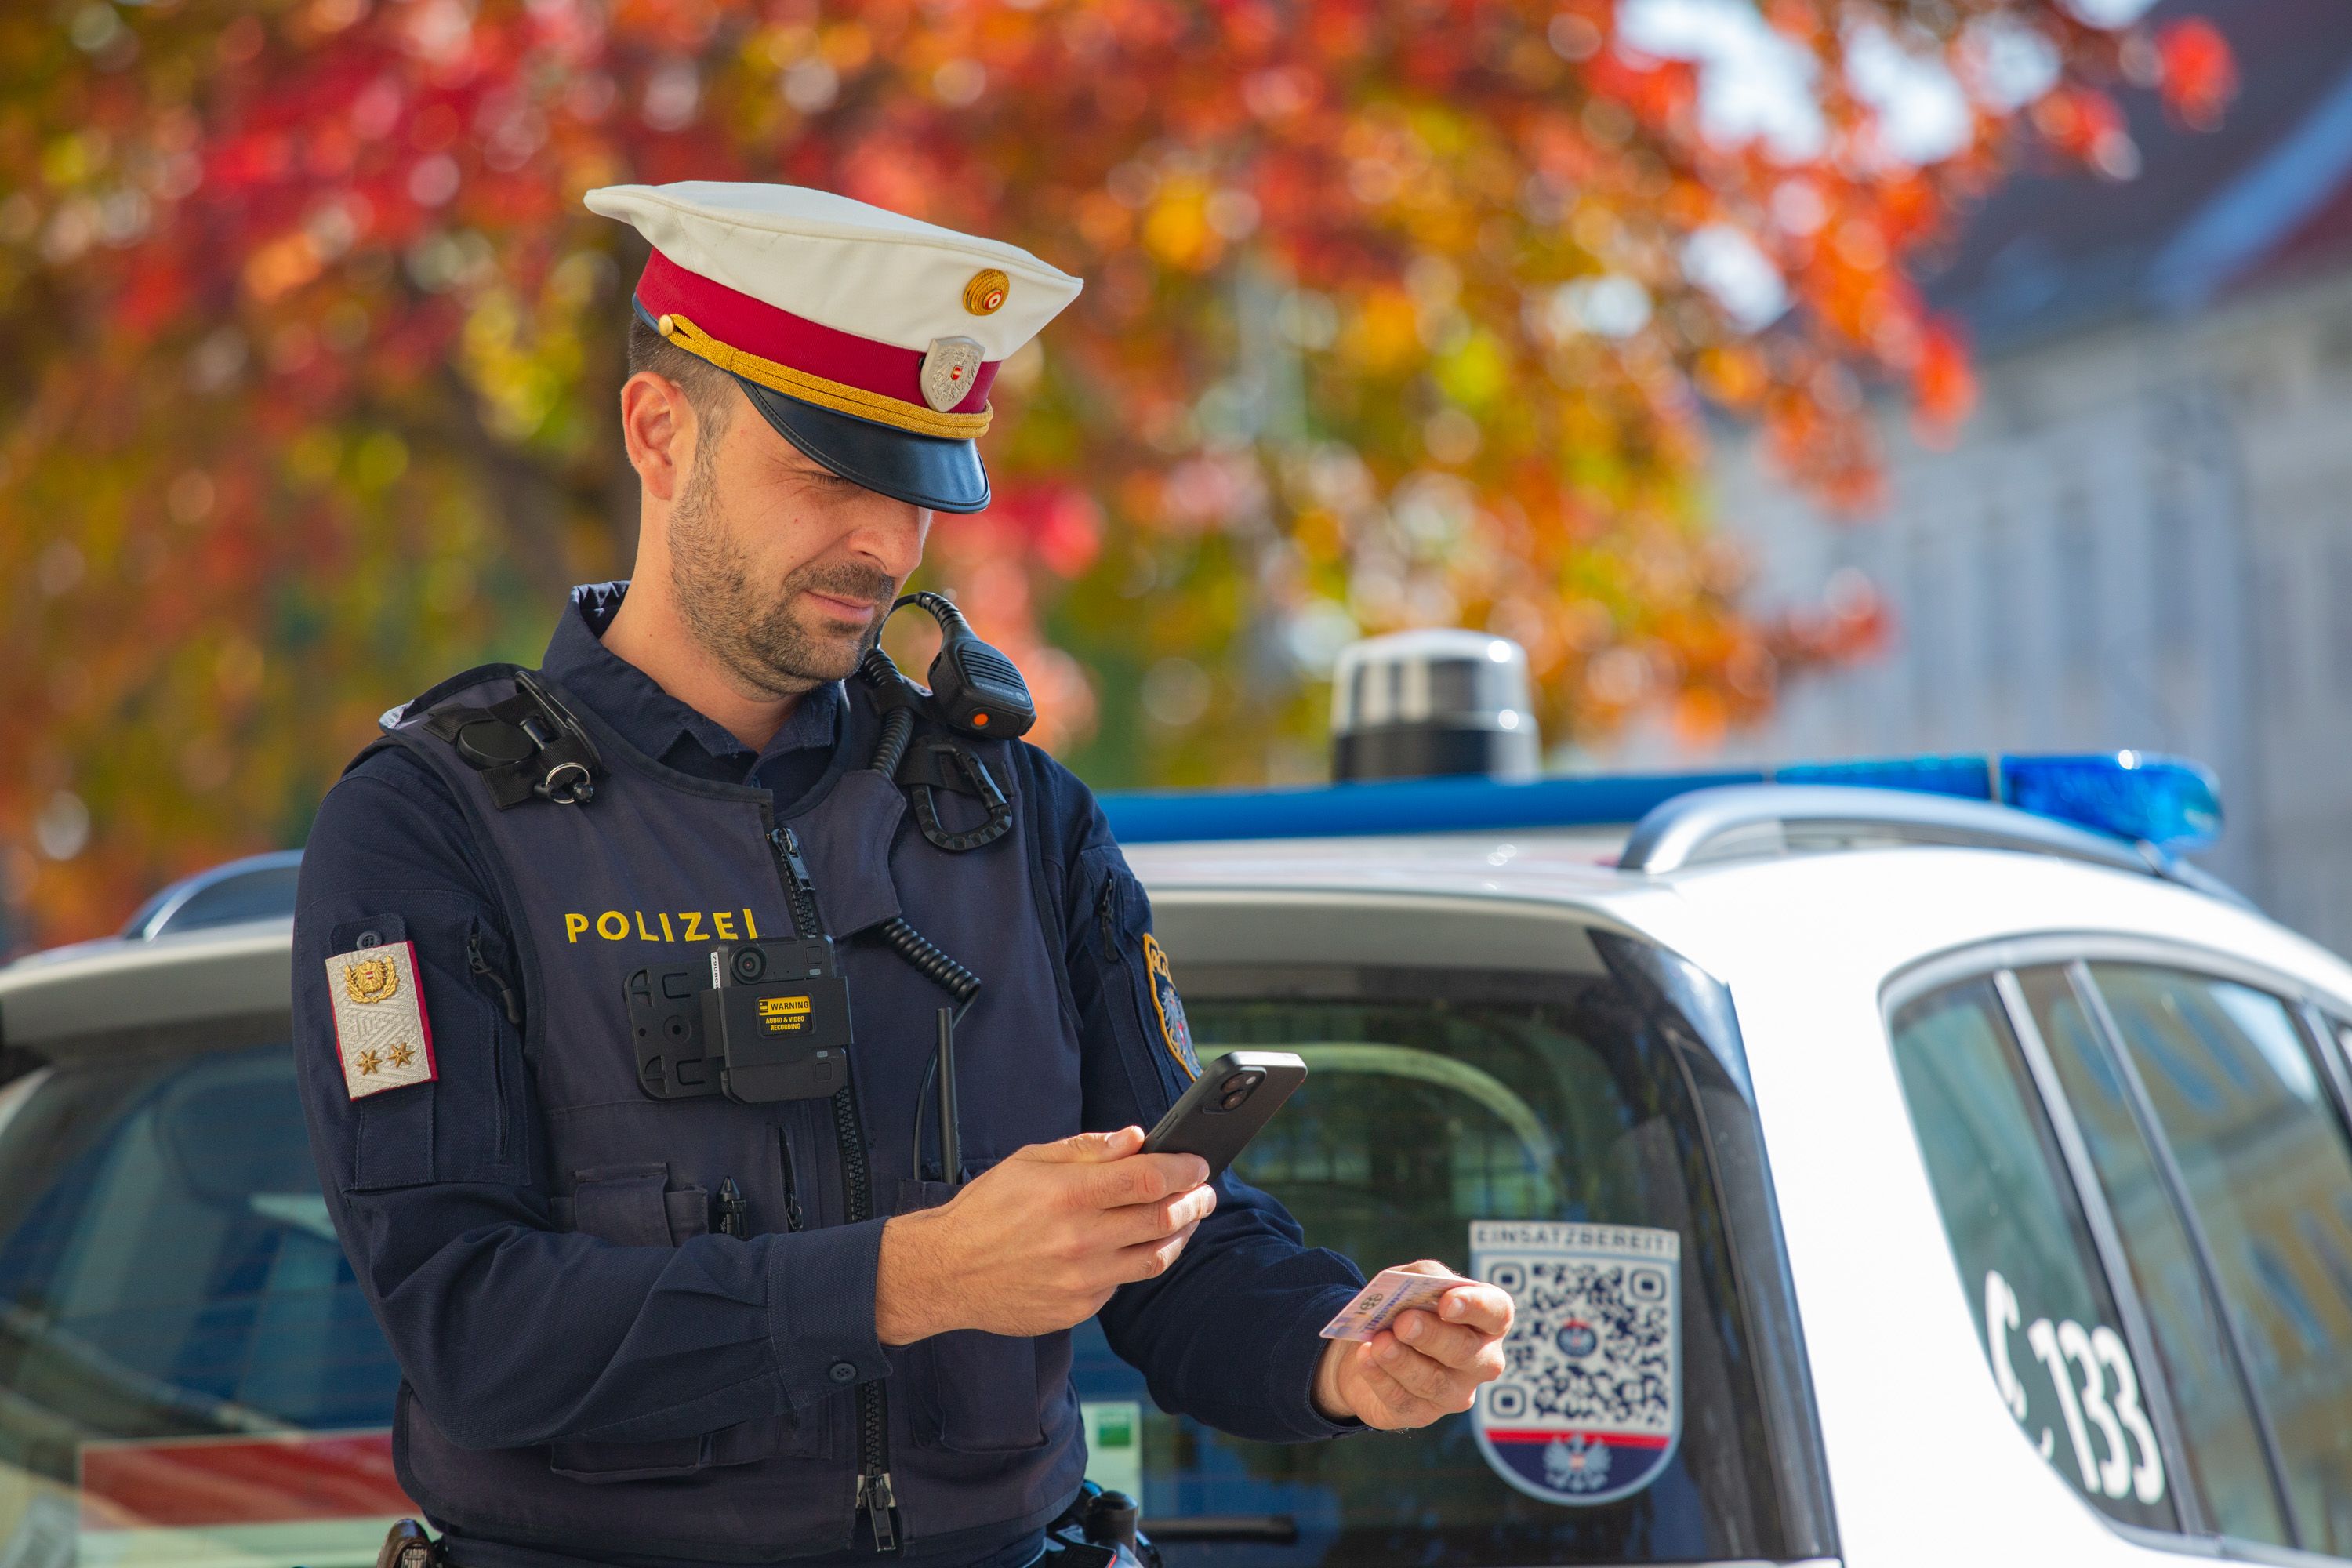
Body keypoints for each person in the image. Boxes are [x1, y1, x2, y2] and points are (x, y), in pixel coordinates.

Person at [292, 181, 1511, 1568]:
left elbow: (1170, 1249)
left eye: (917, 487)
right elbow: (472, 1329)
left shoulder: (1019, 816)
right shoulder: (433, 827)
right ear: (659, 434)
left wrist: (1338, 1352)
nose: (884, 543)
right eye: (828, 472)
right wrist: (908, 1279)